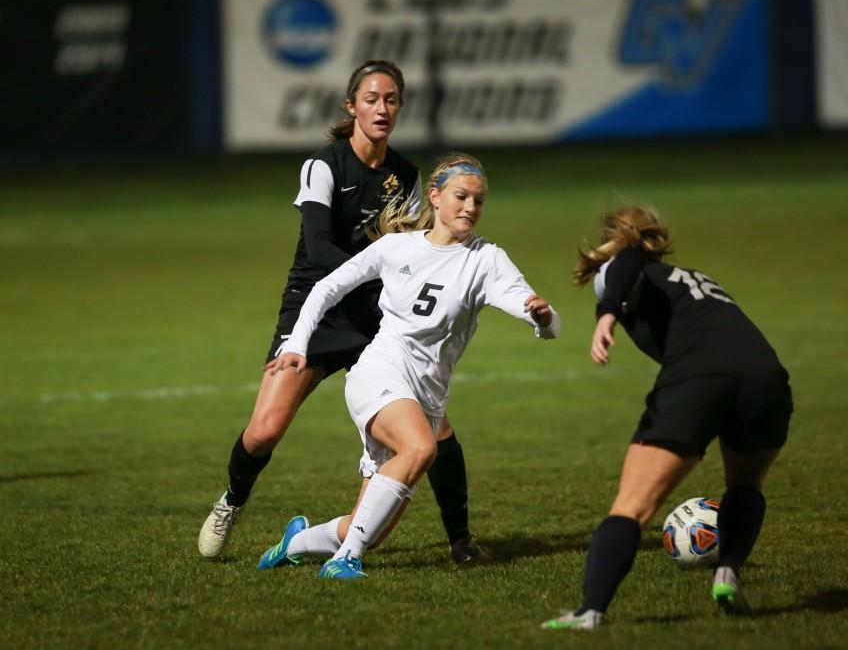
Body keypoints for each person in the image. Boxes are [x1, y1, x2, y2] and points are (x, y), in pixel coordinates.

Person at [197, 60, 486, 566]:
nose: (382, 108)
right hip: (317, 307)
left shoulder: (406, 176)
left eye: (391, 99)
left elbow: (418, 247)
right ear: (351, 106)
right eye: (372, 99)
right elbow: (318, 246)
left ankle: (459, 539)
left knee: (436, 428)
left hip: (378, 317)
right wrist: (381, 270)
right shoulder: (324, 165)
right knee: (264, 430)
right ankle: (233, 501)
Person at [255, 153, 560, 580]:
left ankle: (296, 542)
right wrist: (298, 344)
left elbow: (540, 318)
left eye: (478, 200)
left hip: (427, 396)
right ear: (434, 197)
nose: (470, 207)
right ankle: (345, 561)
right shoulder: (396, 247)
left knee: (367, 527)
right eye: (461, 196)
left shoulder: (487, 259)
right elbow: (326, 288)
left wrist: (542, 318)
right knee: (421, 448)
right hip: (379, 373)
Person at [542, 206, 792, 630]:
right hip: (766, 378)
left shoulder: (624, 268)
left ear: (614, 240)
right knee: (746, 485)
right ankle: (728, 571)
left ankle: (590, 612)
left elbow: (625, 265)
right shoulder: (693, 279)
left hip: (697, 378)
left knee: (631, 507)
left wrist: (606, 316)